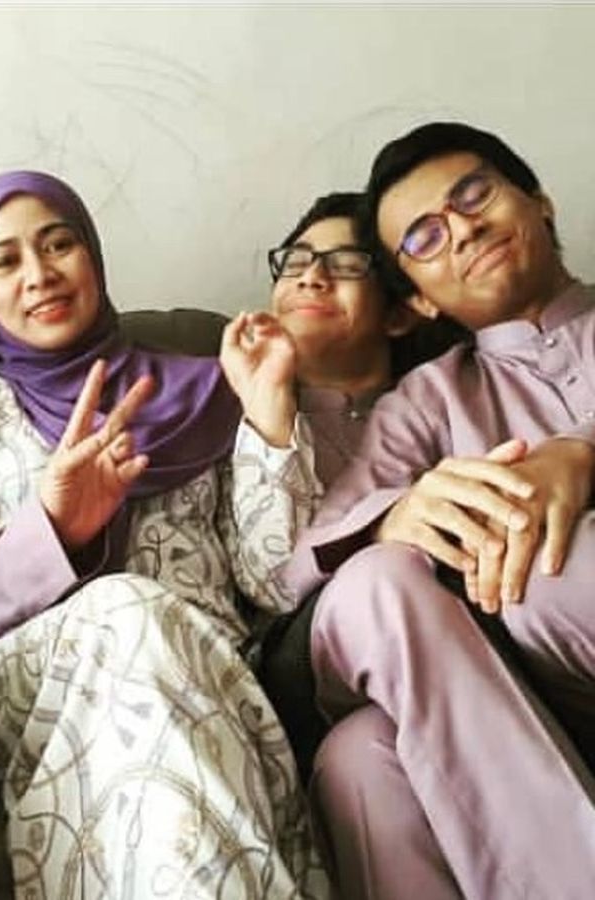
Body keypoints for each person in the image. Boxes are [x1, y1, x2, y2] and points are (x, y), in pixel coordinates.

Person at [0, 169, 329, 899]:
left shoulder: (212, 385)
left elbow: (275, 581)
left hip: (208, 675)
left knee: (147, 634)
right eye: (5, 261)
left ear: (93, 257)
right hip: (11, 693)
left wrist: (269, 411)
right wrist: (51, 529)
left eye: (58, 244)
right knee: (128, 606)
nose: (39, 274)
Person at [287, 121, 595, 899]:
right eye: (425, 236)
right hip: (509, 691)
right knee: (360, 752)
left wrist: (582, 454)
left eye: (473, 195)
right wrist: (396, 517)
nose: (462, 229)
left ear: (540, 202)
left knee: (541, 571)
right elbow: (305, 563)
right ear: (420, 298)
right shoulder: (429, 399)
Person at [219, 191, 425, 777]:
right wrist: (270, 411)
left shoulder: (439, 408)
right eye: (297, 260)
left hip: (421, 664)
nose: (311, 276)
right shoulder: (218, 410)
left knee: (368, 753)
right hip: (298, 676)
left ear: (399, 313)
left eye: (347, 264)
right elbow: (274, 585)